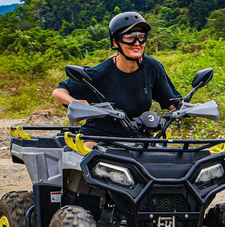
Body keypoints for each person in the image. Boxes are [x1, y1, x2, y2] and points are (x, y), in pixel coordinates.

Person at [52, 12, 181, 139]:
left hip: (138, 138)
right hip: (100, 137)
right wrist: (73, 102)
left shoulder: (152, 67)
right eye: (130, 37)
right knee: (88, 155)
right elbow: (58, 92)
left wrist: (193, 108)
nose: (137, 42)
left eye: (141, 36)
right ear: (115, 42)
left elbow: (171, 102)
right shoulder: (101, 72)